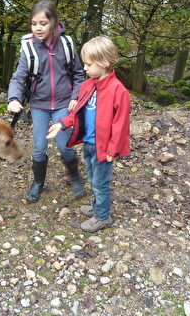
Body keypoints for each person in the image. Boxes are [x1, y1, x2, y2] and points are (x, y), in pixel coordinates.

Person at [46, 36, 130, 232]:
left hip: (104, 147)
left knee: (100, 183)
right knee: (93, 178)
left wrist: (113, 149)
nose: (85, 68)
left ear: (104, 63)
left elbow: (121, 125)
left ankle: (103, 217)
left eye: (89, 64)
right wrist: (62, 124)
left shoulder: (119, 91)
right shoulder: (88, 85)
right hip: (89, 143)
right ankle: (96, 208)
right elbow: (77, 114)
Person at [7, 0, 85, 202]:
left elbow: (78, 74)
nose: (38, 28)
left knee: (65, 145)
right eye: (34, 24)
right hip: (39, 105)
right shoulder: (28, 47)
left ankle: (75, 177)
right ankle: (38, 182)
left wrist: (76, 96)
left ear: (53, 23)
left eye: (43, 23)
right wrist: (14, 98)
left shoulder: (66, 45)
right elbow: (19, 76)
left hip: (63, 103)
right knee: (39, 147)